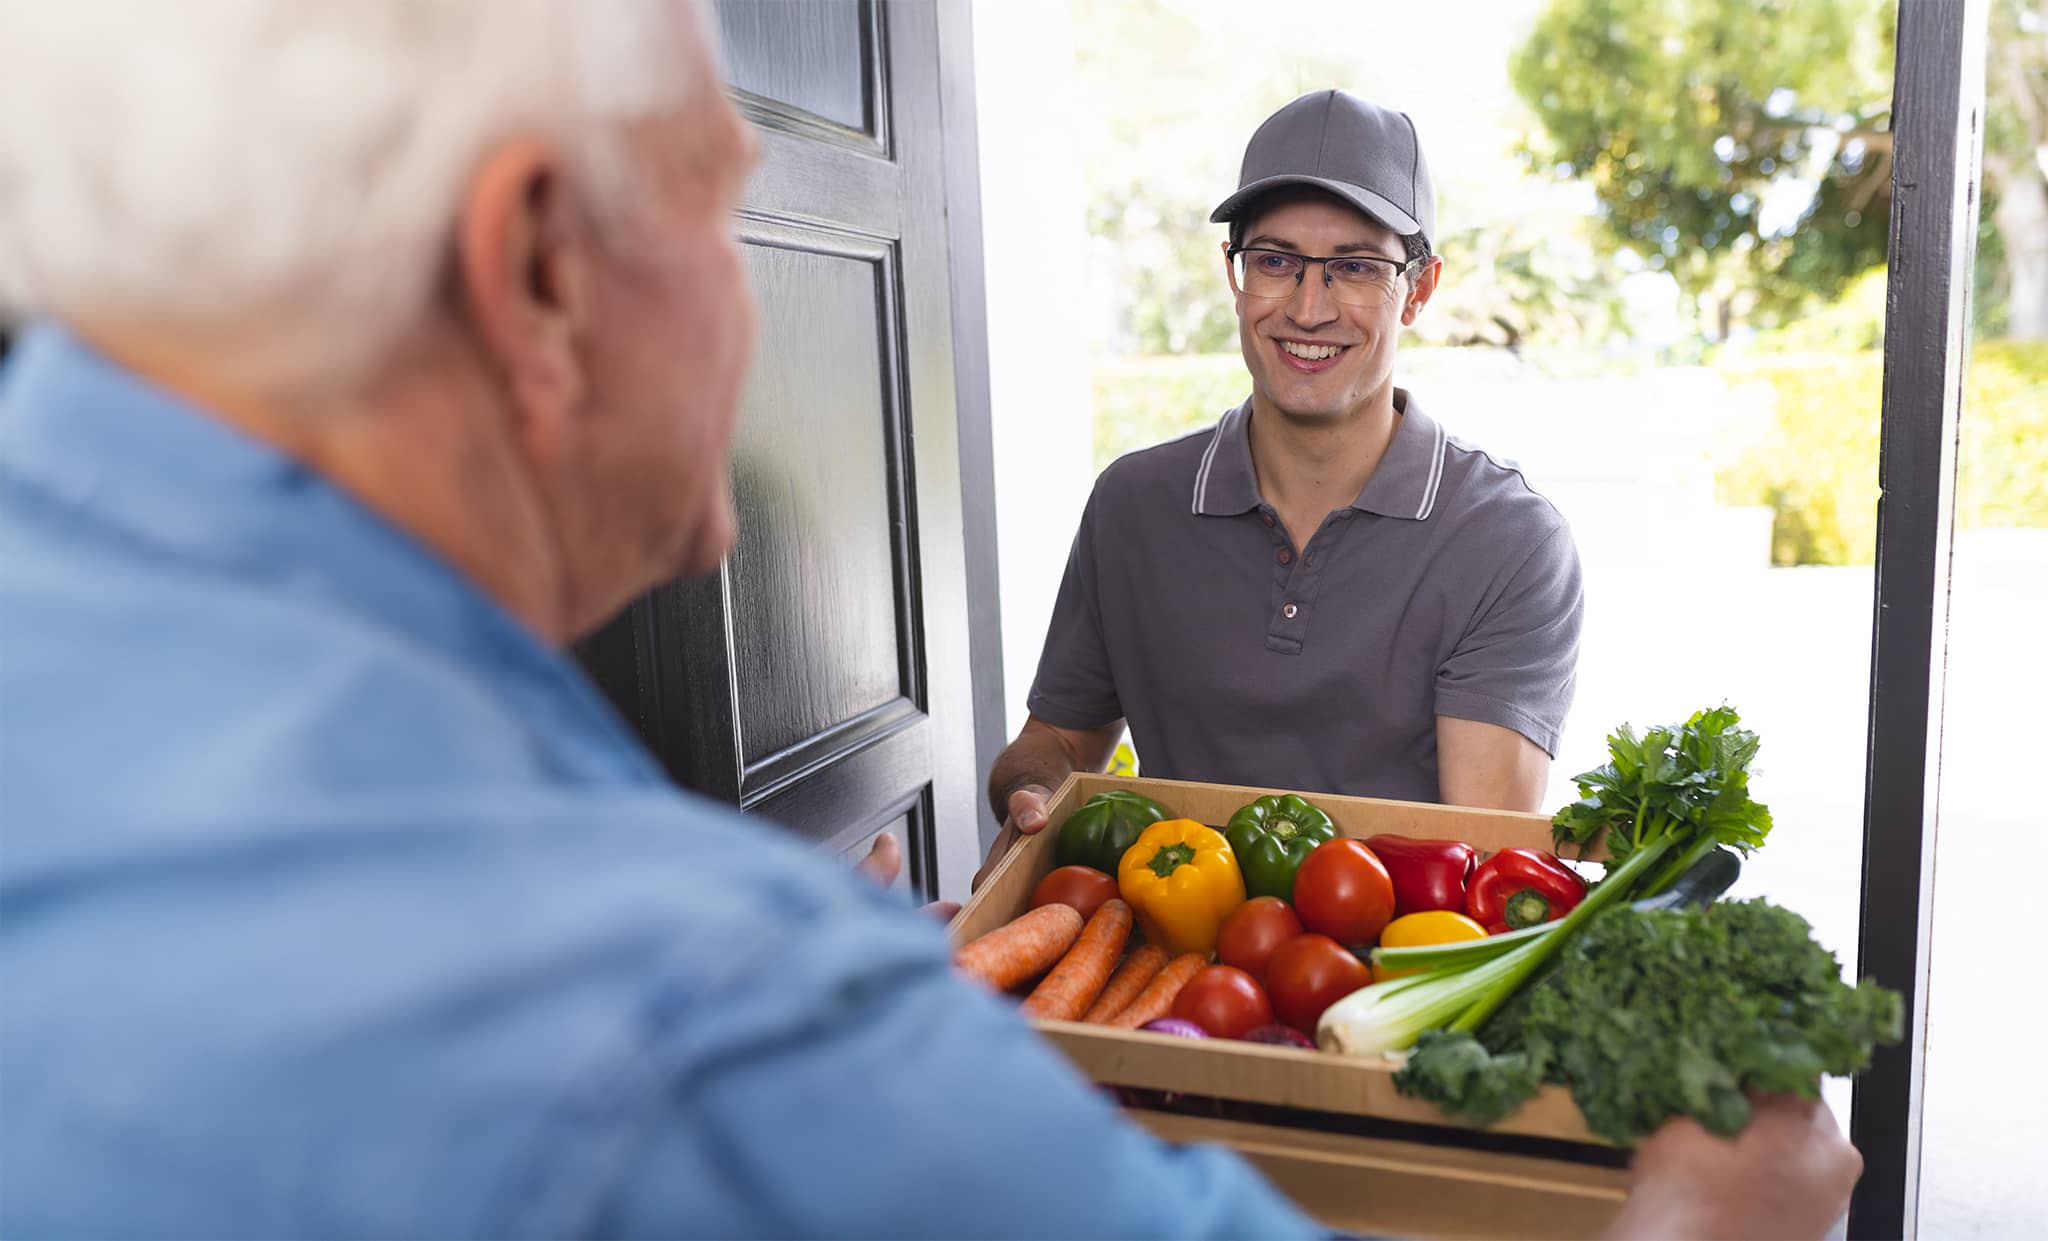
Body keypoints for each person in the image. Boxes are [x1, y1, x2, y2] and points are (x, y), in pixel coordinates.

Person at [0, 2, 1860, 1236]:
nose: (763, 308)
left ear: (1410, 290)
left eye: (1347, 262)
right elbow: (1038, 760)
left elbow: (1485, 825)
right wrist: (1708, 1222)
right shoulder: (695, 1009)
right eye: (723, 212)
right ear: (543, 268)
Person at [982, 91, 1584, 877]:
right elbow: (1057, 741)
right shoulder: (1132, 506)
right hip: (1170, 957)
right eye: (1275, 260)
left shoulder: (1506, 540)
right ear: (1235, 275)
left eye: (1356, 268)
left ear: (1422, 289)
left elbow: (1480, 859)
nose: (1309, 307)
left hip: (1391, 971)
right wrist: (1032, 792)